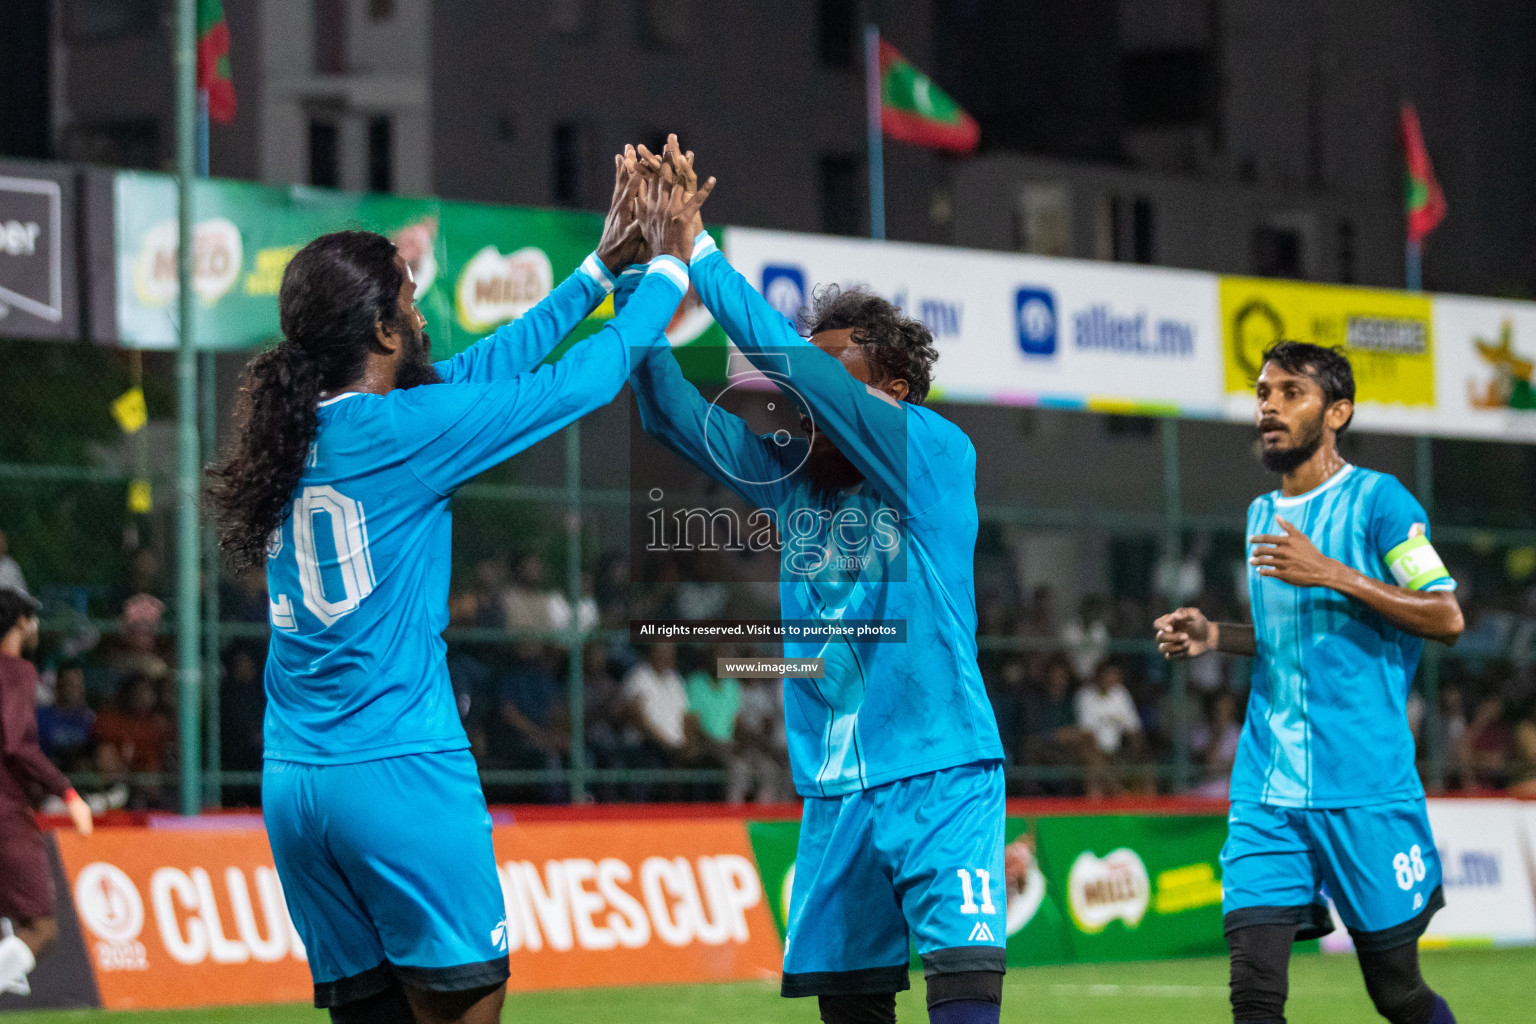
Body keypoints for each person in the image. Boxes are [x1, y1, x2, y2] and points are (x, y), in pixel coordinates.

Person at [203, 147, 710, 1024]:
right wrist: (669, 263)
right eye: (409, 301)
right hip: (397, 772)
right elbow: (579, 381)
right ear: (384, 332)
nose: (423, 313)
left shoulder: (298, 436)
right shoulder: (408, 431)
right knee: (468, 1004)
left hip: (296, 785)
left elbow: (498, 361)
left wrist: (599, 269)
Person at [628, 137, 1006, 1024]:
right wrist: (644, 274)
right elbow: (666, 408)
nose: (807, 395)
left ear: (897, 389)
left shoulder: (935, 455)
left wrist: (702, 255)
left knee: (964, 1003)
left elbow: (796, 375)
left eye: (838, 370)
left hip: (939, 771)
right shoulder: (791, 476)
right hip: (833, 796)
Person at [1154, 341, 1463, 1024]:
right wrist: (1215, 636)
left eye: (1291, 392)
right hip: (1268, 789)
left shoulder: (1382, 501)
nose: (1269, 406)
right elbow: (1284, 642)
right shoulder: (1261, 515)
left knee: (1397, 992)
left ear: (1337, 412)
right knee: (1255, 991)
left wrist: (1333, 572)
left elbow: (1446, 615)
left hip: (1366, 787)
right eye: (1263, 392)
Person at [0, 588, 93, 997]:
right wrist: (67, 791)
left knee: (15, 927)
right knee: (41, 929)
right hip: (6, 813)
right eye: (32, 618)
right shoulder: (17, 672)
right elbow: (16, 742)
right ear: (21, 623)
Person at [1074, 660, 1148, 797]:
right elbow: (1087, 735)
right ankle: (1107, 803)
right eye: (1109, 675)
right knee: (1096, 766)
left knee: (1147, 766)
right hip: (1093, 752)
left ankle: (1147, 810)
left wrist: (1139, 752)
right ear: (1100, 676)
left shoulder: (1120, 693)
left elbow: (1133, 729)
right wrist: (1104, 757)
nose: (1113, 679)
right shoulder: (1085, 696)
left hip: (1117, 751)